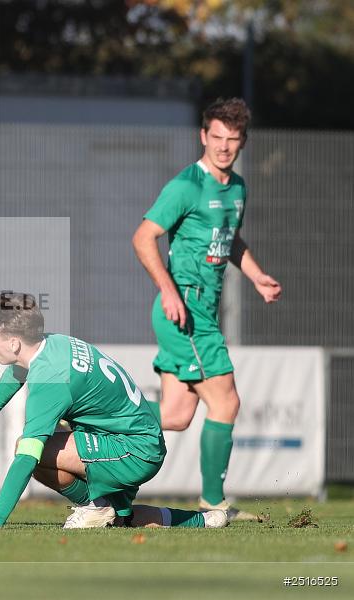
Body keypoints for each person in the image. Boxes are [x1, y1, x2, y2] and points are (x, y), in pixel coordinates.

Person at [0, 292, 227, 530]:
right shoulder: (52, 343)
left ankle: (96, 506)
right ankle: (203, 520)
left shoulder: (50, 379)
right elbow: (17, 370)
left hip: (135, 449)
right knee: (123, 520)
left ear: (14, 343)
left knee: (30, 448)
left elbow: (26, 456)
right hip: (132, 440)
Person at [131, 98, 281, 521]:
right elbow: (143, 237)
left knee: (176, 416)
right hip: (185, 312)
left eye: (232, 140)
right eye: (216, 137)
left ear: (243, 142)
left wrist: (256, 276)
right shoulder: (186, 186)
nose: (223, 147)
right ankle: (214, 505)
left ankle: (94, 421)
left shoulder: (237, 188)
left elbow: (229, 239)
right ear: (203, 136)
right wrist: (168, 290)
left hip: (200, 313)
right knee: (227, 402)